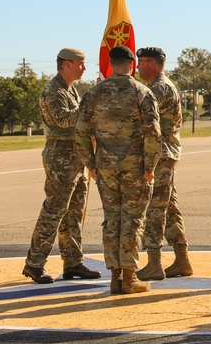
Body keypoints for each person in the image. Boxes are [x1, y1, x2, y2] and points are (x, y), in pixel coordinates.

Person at [75, 45, 161, 294]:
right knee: (132, 220)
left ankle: (114, 276)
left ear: (111, 65)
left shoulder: (93, 93)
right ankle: (129, 277)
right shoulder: (141, 92)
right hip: (135, 168)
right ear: (132, 64)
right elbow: (153, 133)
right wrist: (150, 166)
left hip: (106, 168)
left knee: (112, 219)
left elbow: (80, 131)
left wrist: (91, 164)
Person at [23, 47, 101, 284]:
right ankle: (34, 263)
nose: (84, 68)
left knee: (74, 213)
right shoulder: (54, 90)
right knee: (54, 210)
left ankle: (72, 262)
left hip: (76, 156)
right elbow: (64, 119)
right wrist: (89, 107)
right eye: (80, 63)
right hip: (60, 157)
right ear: (67, 64)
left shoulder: (71, 89)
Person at [135, 47, 193, 281]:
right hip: (165, 154)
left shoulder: (158, 88)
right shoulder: (160, 86)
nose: (137, 67)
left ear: (152, 64)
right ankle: (182, 259)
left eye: (141, 62)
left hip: (159, 155)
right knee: (169, 209)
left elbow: (144, 123)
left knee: (155, 209)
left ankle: (154, 263)